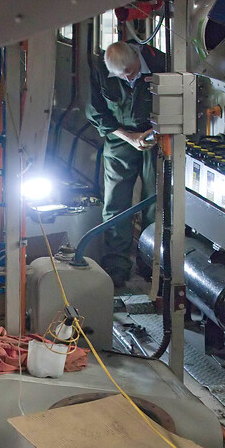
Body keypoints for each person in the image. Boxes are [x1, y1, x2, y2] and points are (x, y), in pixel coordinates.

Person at [86, 40, 166, 288]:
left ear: (136, 56)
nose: (127, 79)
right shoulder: (100, 68)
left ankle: (152, 266)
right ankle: (116, 266)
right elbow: (96, 111)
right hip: (120, 136)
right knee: (115, 203)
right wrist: (128, 136)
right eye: (120, 77)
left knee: (155, 202)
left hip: (158, 136)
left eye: (130, 73)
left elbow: (179, 104)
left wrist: (154, 132)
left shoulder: (162, 63)